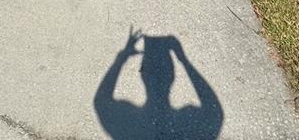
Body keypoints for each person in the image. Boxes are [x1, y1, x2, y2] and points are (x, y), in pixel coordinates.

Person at [94, 28, 224, 139]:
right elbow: (215, 113)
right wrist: (184, 61)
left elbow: (100, 102)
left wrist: (122, 58)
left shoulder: (128, 128)